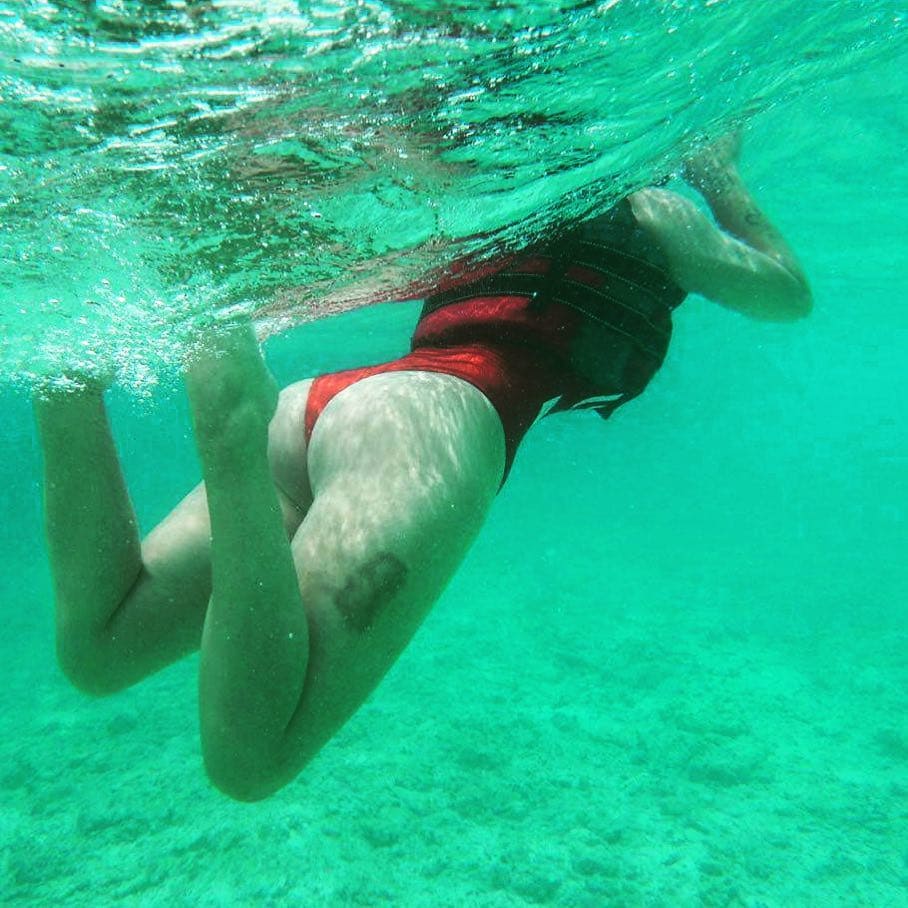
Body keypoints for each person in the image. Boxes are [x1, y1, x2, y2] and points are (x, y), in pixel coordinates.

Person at [34, 133, 811, 801]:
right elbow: (788, 292)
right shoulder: (655, 210)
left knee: (102, 650)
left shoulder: (495, 179)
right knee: (250, 758)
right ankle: (227, 425)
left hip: (328, 404)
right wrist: (718, 174)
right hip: (431, 426)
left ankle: (65, 376)